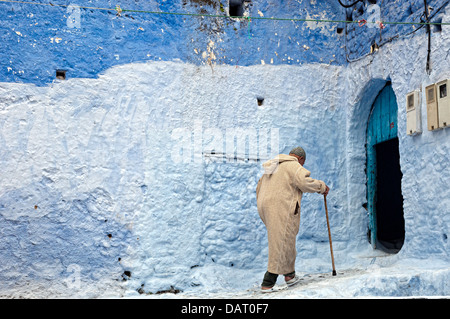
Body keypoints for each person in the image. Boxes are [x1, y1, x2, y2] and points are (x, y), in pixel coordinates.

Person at [256, 146, 329, 292]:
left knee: (286, 238)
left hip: (265, 206)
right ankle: (268, 282)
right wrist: (321, 187)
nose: (302, 165)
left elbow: (259, 186)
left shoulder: (274, 165)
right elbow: (304, 183)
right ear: (301, 159)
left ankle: (290, 275)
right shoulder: (293, 165)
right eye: (303, 163)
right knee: (281, 241)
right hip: (281, 206)